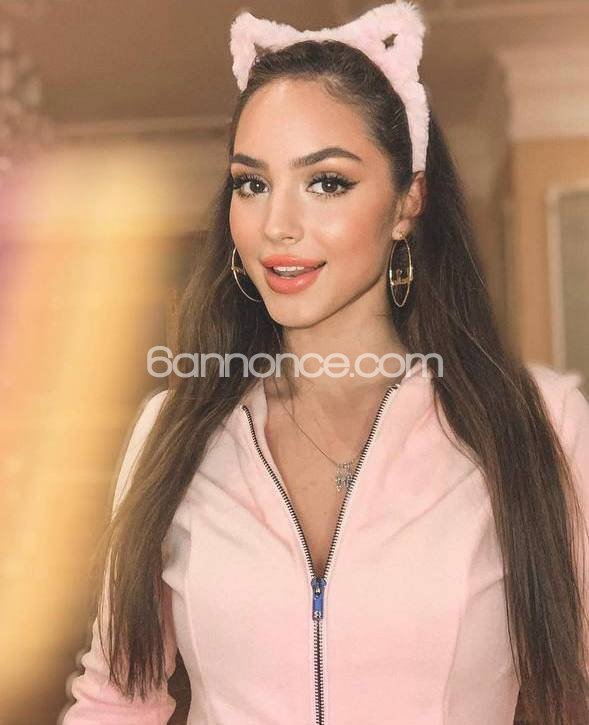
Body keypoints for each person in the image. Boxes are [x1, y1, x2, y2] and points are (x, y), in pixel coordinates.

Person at [61, 2, 589, 723]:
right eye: (251, 183)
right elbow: (117, 699)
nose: (276, 225)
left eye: (327, 182)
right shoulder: (172, 430)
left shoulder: (541, 423)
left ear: (407, 202)